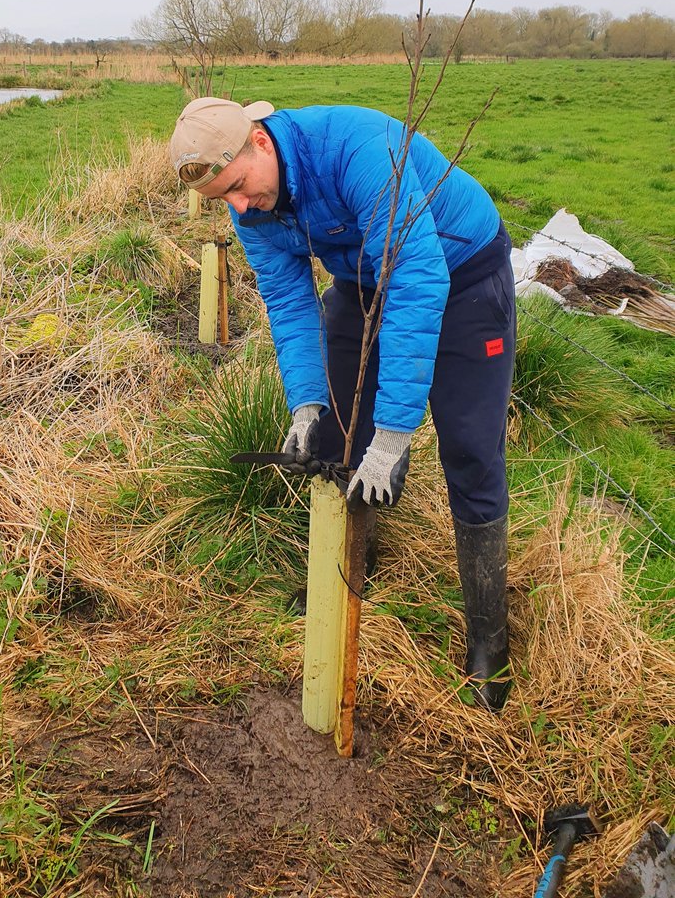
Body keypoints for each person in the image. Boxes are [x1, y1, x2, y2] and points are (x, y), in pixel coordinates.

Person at [169, 96, 517, 713]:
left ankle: (489, 641)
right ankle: (354, 567)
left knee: (469, 448)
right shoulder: (252, 207)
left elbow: (417, 274)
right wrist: (305, 404)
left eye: (241, 187)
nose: (240, 208)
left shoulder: (357, 149)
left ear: (262, 143)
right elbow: (288, 299)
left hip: (459, 273)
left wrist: (393, 434)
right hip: (362, 281)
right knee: (333, 433)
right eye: (225, 198)